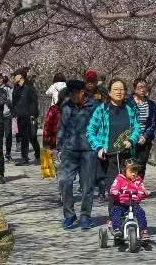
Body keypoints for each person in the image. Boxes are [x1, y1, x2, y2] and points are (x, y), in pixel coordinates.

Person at [87, 78, 141, 210]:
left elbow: (137, 128)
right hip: (109, 156)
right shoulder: (102, 109)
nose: (119, 92)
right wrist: (98, 147)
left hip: (127, 156)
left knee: (130, 190)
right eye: (115, 89)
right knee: (114, 189)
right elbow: (90, 131)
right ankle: (115, 220)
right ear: (110, 93)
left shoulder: (130, 109)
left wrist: (132, 140)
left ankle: (130, 218)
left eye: (121, 89)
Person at [56, 79, 99, 230]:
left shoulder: (95, 106)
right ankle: (69, 214)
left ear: (82, 93)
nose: (70, 97)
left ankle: (85, 216)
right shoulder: (66, 106)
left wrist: (98, 146)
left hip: (89, 150)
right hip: (69, 149)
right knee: (64, 182)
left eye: (73, 94)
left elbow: (100, 126)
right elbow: (62, 126)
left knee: (87, 186)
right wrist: (59, 147)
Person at [109, 159, 150, 241]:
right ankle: (116, 229)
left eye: (135, 171)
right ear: (124, 170)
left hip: (134, 203)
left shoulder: (138, 180)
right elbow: (114, 187)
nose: (134, 174)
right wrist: (115, 191)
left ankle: (143, 231)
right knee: (115, 212)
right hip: (121, 203)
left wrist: (145, 192)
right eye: (131, 171)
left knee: (141, 213)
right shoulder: (119, 178)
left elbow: (141, 188)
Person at [128, 78, 156, 178]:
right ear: (134, 88)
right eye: (140, 87)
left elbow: (153, 123)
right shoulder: (128, 102)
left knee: (141, 165)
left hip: (144, 139)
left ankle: (138, 187)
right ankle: (127, 188)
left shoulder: (151, 105)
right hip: (130, 138)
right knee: (129, 164)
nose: (142, 89)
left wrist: (145, 136)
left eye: (144, 87)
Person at [12, 67, 40, 165]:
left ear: (20, 77)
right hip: (19, 115)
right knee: (23, 137)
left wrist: (33, 114)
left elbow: (34, 102)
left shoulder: (29, 87)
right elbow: (14, 101)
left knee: (32, 137)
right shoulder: (16, 87)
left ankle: (37, 153)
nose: (14, 78)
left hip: (29, 116)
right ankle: (25, 158)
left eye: (15, 76)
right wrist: (14, 113)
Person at [0, 74, 14, 162]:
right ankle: (0, 153)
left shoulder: (8, 89)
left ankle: (8, 153)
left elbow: (11, 101)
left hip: (7, 114)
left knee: (8, 134)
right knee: (0, 136)